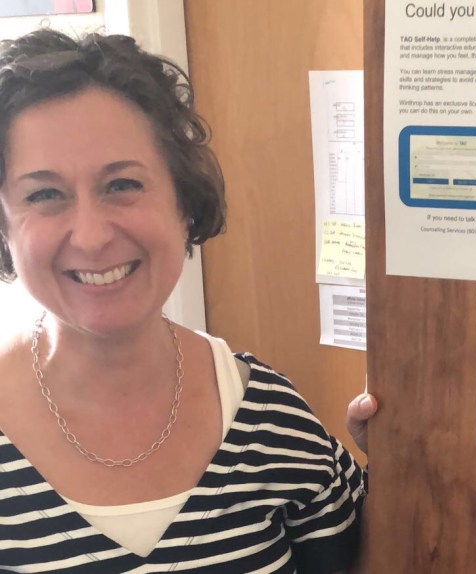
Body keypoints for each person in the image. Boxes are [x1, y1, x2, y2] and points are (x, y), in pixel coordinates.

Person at [0, 28, 376, 572]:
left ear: (184, 201)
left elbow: (384, 553)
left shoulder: (270, 418)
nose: (92, 236)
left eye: (122, 184)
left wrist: (402, 459)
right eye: (44, 194)